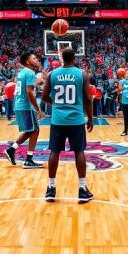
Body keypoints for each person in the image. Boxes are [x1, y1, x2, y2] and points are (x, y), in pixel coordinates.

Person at [41, 48, 94, 203]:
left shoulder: (52, 74)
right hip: (76, 120)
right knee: (79, 152)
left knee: (54, 152)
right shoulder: (82, 74)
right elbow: (87, 99)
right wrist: (90, 119)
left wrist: (56, 105)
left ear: (62, 59)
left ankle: (51, 189)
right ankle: (82, 190)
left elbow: (44, 96)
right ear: (75, 59)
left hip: (58, 120)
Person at [4, 51, 45, 169]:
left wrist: (40, 79)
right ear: (27, 62)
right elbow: (29, 92)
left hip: (19, 105)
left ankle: (13, 151)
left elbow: (28, 85)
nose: (37, 60)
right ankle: (27, 159)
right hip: (26, 106)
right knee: (34, 130)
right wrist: (38, 110)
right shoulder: (30, 73)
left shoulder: (22, 72)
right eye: (34, 58)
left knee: (33, 130)